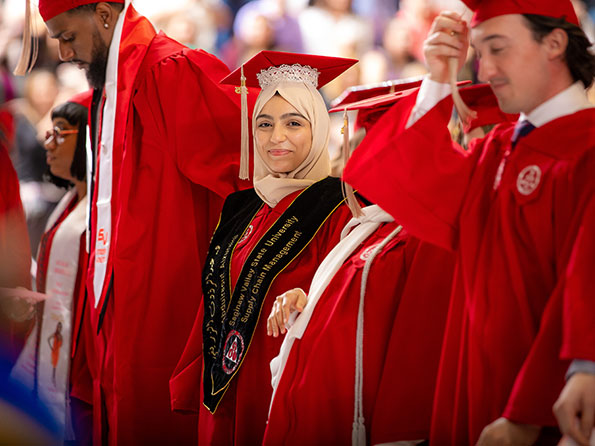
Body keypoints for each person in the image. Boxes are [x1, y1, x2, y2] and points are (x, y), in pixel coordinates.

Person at [343, 0, 595, 444]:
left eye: (498, 48)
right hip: (473, 387)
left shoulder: (587, 149)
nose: (486, 68)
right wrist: (440, 76)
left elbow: (584, 288)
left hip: (548, 407)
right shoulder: (496, 152)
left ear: (555, 42)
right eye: (478, 52)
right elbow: (415, 178)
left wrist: (526, 410)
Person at [15, 0, 247, 444]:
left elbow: (250, 176)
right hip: (116, 316)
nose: (64, 54)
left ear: (104, 14)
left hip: (169, 314)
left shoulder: (173, 71)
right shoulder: (110, 89)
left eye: (68, 37)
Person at [170, 51, 357, 445]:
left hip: (284, 382)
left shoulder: (342, 206)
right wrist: (192, 372)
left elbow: (352, 298)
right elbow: (214, 299)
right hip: (226, 386)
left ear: (319, 128)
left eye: (294, 123)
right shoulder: (241, 207)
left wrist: (308, 298)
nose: (276, 138)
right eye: (265, 124)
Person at [10, 91, 94, 445]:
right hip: (55, 344)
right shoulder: (68, 204)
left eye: (61, 133)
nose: (48, 141)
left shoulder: (100, 215)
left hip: (80, 361)